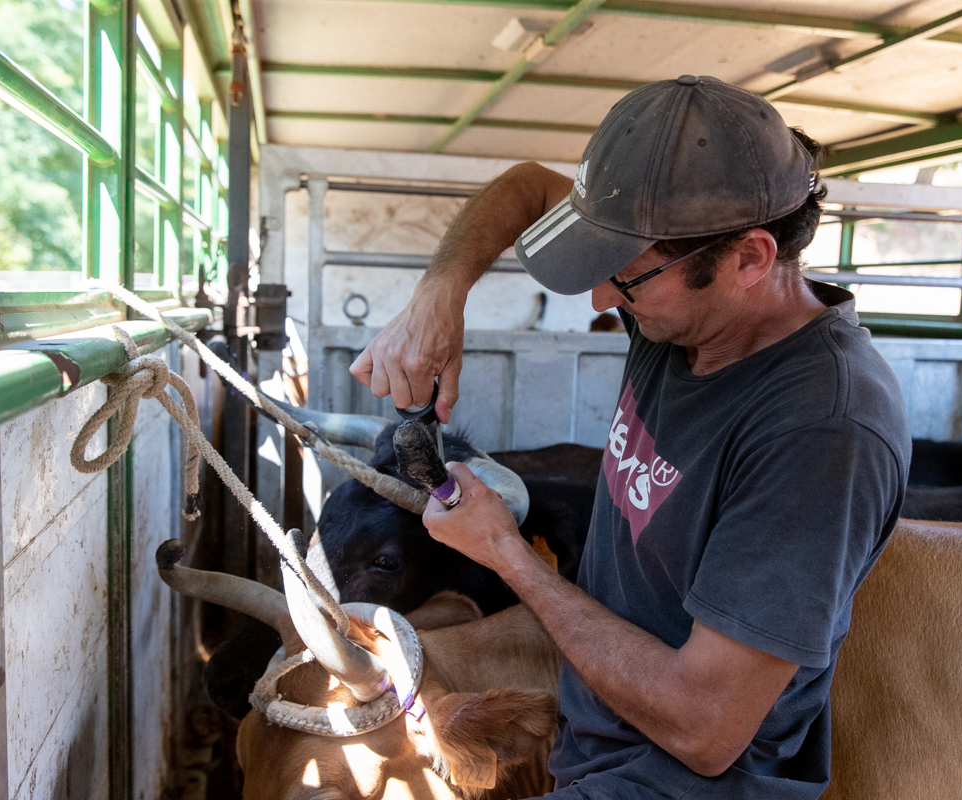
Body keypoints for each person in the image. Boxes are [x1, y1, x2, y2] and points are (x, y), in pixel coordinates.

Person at [350, 76, 910, 799]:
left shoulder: (822, 430)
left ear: (750, 258)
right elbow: (525, 187)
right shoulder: (686, 317)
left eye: (627, 276)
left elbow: (705, 731)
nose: (601, 299)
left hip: (678, 780)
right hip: (597, 736)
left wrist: (508, 557)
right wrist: (440, 297)